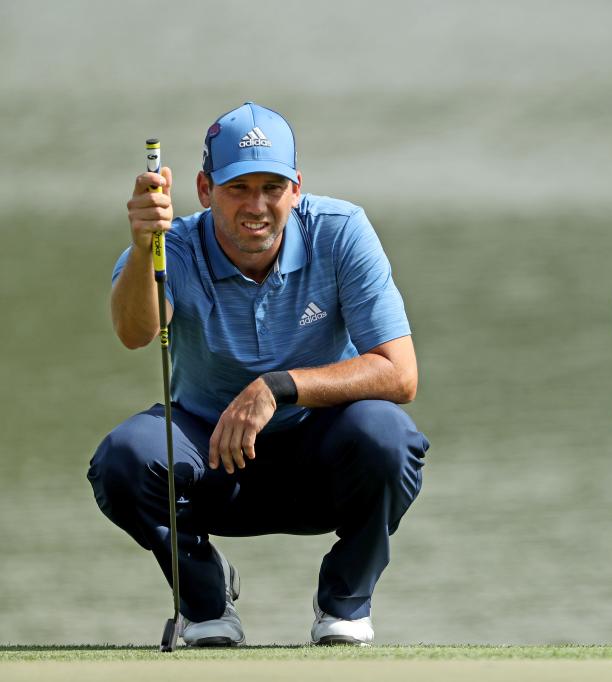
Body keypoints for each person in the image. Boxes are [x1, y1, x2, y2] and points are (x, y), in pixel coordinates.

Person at [88, 102, 429, 647]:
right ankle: (204, 598)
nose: (258, 205)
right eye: (238, 188)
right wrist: (140, 245)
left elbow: (400, 374)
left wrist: (279, 386)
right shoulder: (170, 244)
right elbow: (135, 333)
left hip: (321, 460)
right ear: (204, 189)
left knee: (387, 437)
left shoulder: (341, 231)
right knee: (123, 458)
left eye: (272, 187)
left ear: (297, 187)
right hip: (211, 465)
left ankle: (343, 600)